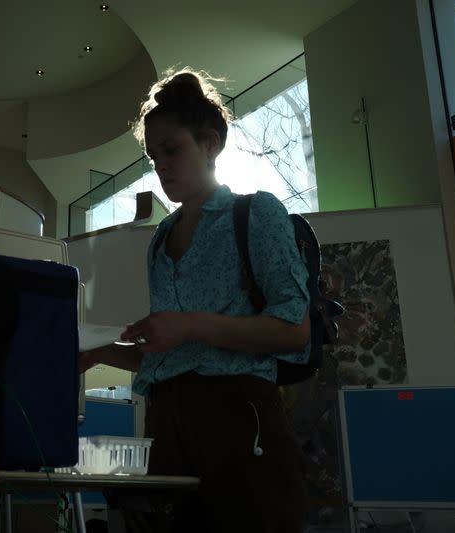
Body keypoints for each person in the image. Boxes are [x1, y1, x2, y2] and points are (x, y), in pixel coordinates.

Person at [79, 68, 311, 533]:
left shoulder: (255, 213)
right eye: (152, 156)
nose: (161, 164)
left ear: (211, 144)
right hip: (167, 428)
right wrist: (96, 354)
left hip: (239, 424)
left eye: (171, 149)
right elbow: (173, 358)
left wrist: (189, 324)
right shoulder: (160, 240)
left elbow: (295, 329)